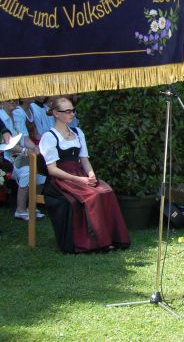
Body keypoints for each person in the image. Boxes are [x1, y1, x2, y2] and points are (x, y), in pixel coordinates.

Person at [38, 96, 129, 253]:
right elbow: (52, 170)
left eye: (72, 110)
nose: (71, 114)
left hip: (79, 172)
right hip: (61, 178)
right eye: (67, 111)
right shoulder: (49, 137)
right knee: (92, 196)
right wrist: (79, 179)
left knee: (105, 191)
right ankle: (95, 242)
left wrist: (91, 174)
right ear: (55, 113)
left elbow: (84, 160)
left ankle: (110, 238)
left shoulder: (77, 132)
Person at [1, 99, 45, 221]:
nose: (13, 102)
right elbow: (8, 145)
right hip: (6, 158)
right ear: (1, 102)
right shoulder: (1, 117)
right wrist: (25, 151)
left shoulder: (17, 115)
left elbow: (25, 138)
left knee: (41, 174)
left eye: (14, 99)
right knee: (27, 172)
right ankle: (20, 210)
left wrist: (35, 148)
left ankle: (32, 207)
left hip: (21, 155)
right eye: (8, 100)